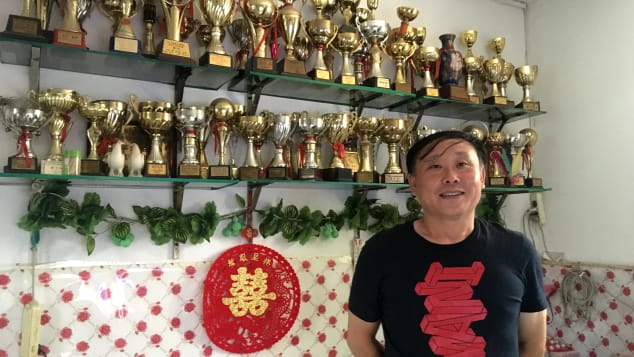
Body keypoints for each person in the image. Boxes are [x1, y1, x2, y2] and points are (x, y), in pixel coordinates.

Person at [347, 130, 547, 356]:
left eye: (462, 164)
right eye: (435, 166)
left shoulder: (518, 250)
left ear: (482, 178)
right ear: (413, 183)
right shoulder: (380, 252)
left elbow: (532, 342)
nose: (451, 176)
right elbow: (359, 338)